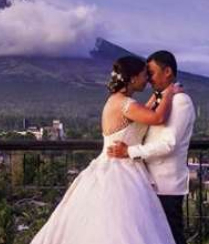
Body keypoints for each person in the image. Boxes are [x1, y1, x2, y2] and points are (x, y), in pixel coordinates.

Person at [30, 55, 183, 244]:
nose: (148, 79)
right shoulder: (126, 105)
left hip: (121, 167)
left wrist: (158, 95)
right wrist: (169, 93)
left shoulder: (121, 101)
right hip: (122, 171)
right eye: (145, 75)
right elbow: (158, 118)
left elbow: (145, 112)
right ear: (133, 78)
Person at [107, 51, 195, 244]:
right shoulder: (159, 100)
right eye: (145, 74)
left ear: (168, 72)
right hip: (145, 183)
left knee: (171, 237)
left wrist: (129, 152)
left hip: (166, 186)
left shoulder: (180, 101)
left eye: (151, 73)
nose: (148, 79)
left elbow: (169, 143)